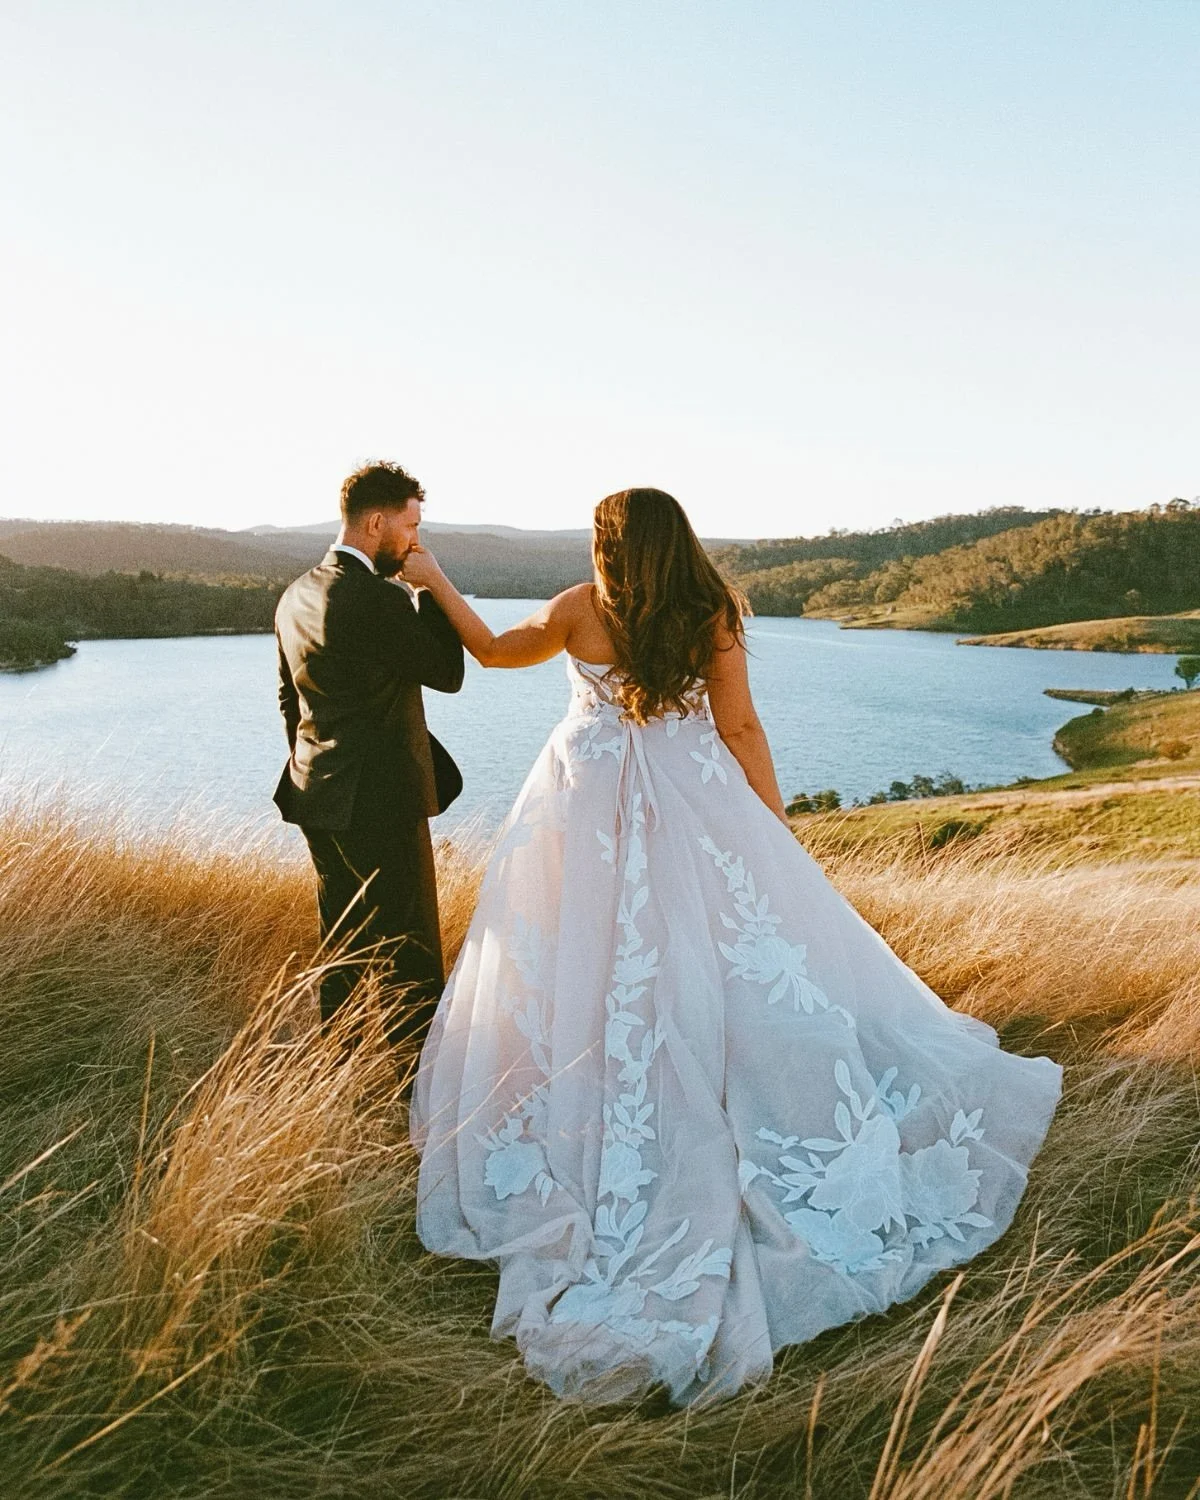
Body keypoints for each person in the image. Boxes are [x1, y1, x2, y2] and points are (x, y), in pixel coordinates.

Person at [404, 487, 1061, 1407]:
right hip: (693, 798)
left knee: (583, 962)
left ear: (608, 546)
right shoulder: (708, 610)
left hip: (583, 810)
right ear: (680, 543)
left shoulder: (575, 610)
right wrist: (773, 827)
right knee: (728, 949)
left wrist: (432, 575)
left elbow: (491, 650)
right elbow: (740, 725)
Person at [273, 461, 465, 1055]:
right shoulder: (376, 599)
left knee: (344, 946)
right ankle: (417, 1093)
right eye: (409, 526)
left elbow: (289, 697)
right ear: (376, 522)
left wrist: (315, 767)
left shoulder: (294, 594)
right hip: (381, 800)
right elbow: (448, 671)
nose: (416, 541)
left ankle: (343, 1076)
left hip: (317, 797)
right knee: (411, 952)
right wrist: (431, 587)